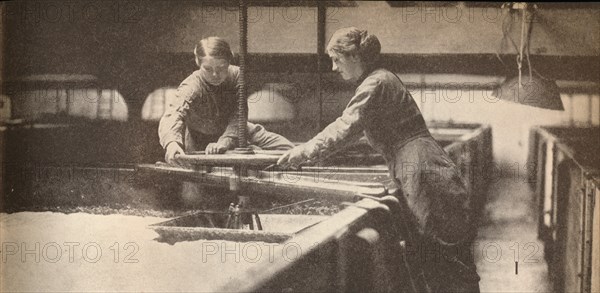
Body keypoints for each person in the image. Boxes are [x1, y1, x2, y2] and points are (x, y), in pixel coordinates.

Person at [277, 27, 481, 292]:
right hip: (419, 165)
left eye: (336, 60)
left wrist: (303, 151)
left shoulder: (376, 83)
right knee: (437, 254)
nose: (333, 68)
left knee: (443, 254)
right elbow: (353, 133)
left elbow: (345, 126)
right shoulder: (379, 80)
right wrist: (313, 152)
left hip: (422, 168)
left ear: (354, 56)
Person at [159, 36, 294, 206]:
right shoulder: (191, 86)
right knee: (192, 195)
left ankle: (260, 173)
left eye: (221, 68)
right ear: (197, 62)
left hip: (238, 129)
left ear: (229, 61)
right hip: (199, 138)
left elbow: (239, 115)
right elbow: (173, 113)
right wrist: (171, 143)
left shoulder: (237, 75)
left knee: (288, 150)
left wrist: (226, 142)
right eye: (208, 69)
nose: (215, 74)